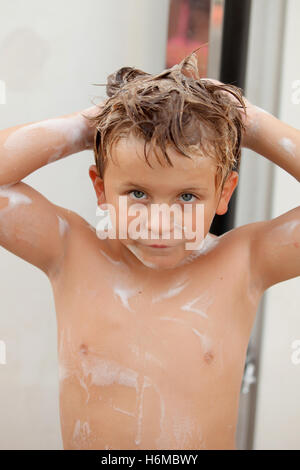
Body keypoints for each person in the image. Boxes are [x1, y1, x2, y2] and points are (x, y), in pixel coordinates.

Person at [0, 51, 299, 450]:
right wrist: (85, 127)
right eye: (137, 193)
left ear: (224, 192)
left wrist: (248, 120)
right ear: (101, 188)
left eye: (187, 196)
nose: (160, 222)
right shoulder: (70, 250)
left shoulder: (245, 262)